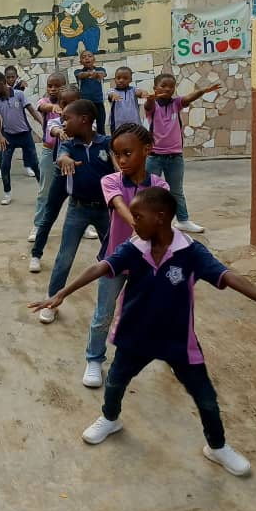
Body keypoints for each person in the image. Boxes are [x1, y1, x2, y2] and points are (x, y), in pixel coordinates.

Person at [29, 187, 256, 477]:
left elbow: (230, 277)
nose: (134, 222)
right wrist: (62, 293)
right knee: (115, 383)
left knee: (205, 397)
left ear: (161, 217)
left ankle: (217, 447)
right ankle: (110, 418)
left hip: (178, 341)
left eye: (139, 216)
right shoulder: (133, 248)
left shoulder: (191, 252)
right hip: (134, 338)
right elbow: (101, 267)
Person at [82, 123, 168, 388]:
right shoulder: (110, 180)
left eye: (127, 153)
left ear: (147, 150)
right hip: (114, 262)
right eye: (117, 154)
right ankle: (94, 359)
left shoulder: (159, 185)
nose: (121, 160)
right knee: (103, 315)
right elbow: (119, 203)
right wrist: (138, 224)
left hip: (146, 265)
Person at [30, 99, 115, 324]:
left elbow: (118, 167)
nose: (63, 123)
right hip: (77, 209)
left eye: (67, 118)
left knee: (118, 254)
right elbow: (61, 156)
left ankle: (130, 300)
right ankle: (52, 301)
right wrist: (65, 159)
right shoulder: (69, 144)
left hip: (105, 210)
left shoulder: (106, 143)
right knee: (64, 258)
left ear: (84, 120)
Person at [144, 73, 221, 234]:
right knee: (151, 191)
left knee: (176, 191)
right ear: (155, 88)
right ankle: (150, 221)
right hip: (154, 156)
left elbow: (188, 98)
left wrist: (202, 91)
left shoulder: (176, 104)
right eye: (163, 86)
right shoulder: (152, 106)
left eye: (171, 86)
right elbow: (148, 106)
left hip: (175, 156)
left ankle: (183, 220)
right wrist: (151, 98)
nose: (167, 89)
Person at [0, 71, 41, 207]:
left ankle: (44, 192)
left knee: (35, 164)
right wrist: (0, 136)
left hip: (25, 135)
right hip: (8, 137)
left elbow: (32, 111)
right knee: (5, 166)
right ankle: (7, 193)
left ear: (1, 84)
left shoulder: (19, 95)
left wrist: (43, 123)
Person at [28, 72, 67, 241]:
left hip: (69, 151)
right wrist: (53, 108)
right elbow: (42, 107)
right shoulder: (44, 102)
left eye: (57, 86)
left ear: (64, 87)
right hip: (49, 151)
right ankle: (38, 225)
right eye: (50, 85)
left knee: (77, 189)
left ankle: (85, 226)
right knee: (44, 191)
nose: (52, 89)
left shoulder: (72, 104)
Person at [0, 66, 34, 180]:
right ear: (4, 79)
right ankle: (2, 169)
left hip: (22, 126)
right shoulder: (0, 91)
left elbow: (18, 92)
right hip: (7, 128)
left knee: (27, 149)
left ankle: (28, 166)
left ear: (16, 77)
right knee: (3, 149)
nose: (10, 79)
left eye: (13, 77)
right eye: (8, 77)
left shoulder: (19, 89)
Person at [74, 50, 108, 135]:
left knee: (101, 126)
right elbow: (80, 75)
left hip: (98, 102)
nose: (87, 58)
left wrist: (96, 73)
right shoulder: (78, 71)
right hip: (85, 104)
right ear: (80, 62)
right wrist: (90, 74)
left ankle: (102, 145)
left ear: (94, 59)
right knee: (86, 125)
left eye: (89, 56)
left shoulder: (100, 69)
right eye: (84, 57)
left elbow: (103, 74)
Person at [107, 67, 148, 132]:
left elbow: (139, 92)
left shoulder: (133, 90)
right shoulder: (112, 91)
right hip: (118, 124)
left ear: (130, 80)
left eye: (125, 78)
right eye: (118, 78)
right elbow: (110, 95)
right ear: (114, 79)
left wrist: (143, 92)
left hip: (134, 123)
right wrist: (113, 95)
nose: (121, 80)